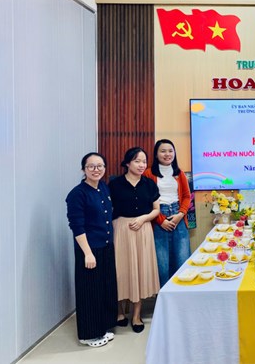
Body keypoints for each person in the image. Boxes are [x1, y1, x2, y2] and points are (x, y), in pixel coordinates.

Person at [65, 152, 117, 347]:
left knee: (105, 288)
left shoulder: (103, 187)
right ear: (83, 169)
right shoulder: (77, 194)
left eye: (100, 166)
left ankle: (102, 327)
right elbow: (77, 226)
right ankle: (88, 335)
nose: (96, 170)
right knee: (89, 292)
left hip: (106, 246)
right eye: (91, 166)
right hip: (89, 249)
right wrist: (87, 253)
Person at [109, 147, 161, 333]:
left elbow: (156, 210)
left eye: (144, 161)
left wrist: (143, 219)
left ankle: (137, 315)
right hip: (121, 229)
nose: (141, 165)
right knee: (121, 270)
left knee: (140, 270)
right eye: (137, 161)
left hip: (143, 229)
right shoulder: (114, 184)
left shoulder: (149, 184)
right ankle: (119, 312)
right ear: (127, 163)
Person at [144, 139, 192, 287]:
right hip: (159, 218)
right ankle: (164, 297)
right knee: (162, 265)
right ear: (156, 154)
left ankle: (182, 295)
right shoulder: (148, 174)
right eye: (163, 151)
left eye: (170, 151)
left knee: (182, 261)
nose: (167, 154)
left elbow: (187, 196)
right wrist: (161, 220)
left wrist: (180, 214)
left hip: (178, 216)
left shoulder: (179, 173)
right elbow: (146, 200)